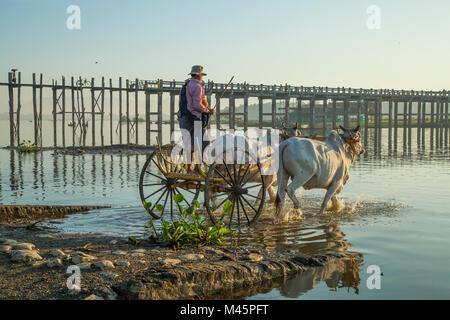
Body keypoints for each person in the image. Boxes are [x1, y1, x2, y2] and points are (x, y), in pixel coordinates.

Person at [178, 65, 214, 173]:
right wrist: (207, 111)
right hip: (194, 118)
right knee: (205, 143)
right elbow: (197, 105)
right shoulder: (198, 86)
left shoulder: (185, 85)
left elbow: (182, 103)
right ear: (199, 75)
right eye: (202, 75)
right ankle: (197, 169)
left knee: (189, 144)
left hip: (183, 118)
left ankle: (189, 169)